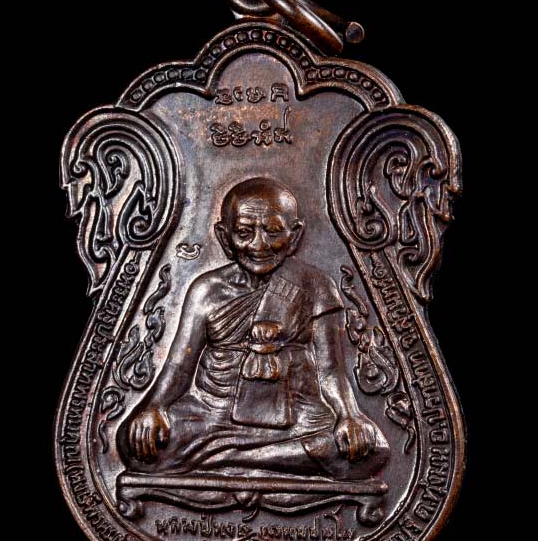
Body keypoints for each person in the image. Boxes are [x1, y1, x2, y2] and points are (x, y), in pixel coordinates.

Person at [120, 177, 388, 481]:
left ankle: (224, 460)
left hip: (295, 413)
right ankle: (265, 460)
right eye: (245, 233)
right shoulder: (206, 290)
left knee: (372, 449)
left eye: (273, 232)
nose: (259, 245)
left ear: (295, 236)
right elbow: (180, 366)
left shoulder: (315, 286)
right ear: (224, 237)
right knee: (135, 444)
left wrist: (349, 414)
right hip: (214, 412)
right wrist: (155, 406)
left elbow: (330, 371)